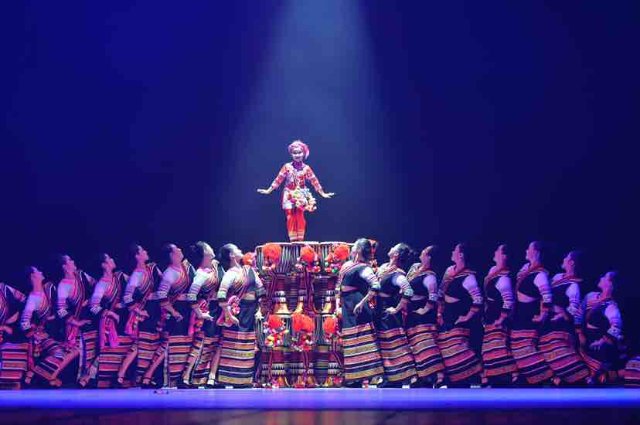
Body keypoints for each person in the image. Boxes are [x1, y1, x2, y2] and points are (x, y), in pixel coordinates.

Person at [257, 140, 335, 241]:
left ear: (304, 153)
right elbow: (278, 179)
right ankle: (293, 240)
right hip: (288, 194)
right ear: (291, 154)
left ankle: (300, 240)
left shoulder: (306, 168)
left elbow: (314, 181)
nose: (297, 155)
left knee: (300, 216)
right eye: (295, 153)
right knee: (290, 216)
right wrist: (268, 190)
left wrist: (323, 193)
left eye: (299, 152)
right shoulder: (287, 167)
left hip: (301, 194)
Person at [335, 238, 385, 387]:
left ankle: (365, 377)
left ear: (357, 250)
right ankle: (354, 377)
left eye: (353, 248)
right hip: (347, 304)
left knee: (361, 339)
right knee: (351, 340)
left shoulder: (364, 268)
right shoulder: (347, 265)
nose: (351, 251)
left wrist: (362, 303)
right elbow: (338, 286)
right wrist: (337, 305)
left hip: (357, 304)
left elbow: (376, 286)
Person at [215, 243, 266, 387]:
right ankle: (227, 379)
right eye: (237, 249)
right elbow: (221, 295)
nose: (241, 250)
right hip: (237, 311)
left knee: (247, 343)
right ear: (232, 255)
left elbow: (260, 291)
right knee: (233, 344)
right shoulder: (230, 274)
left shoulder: (249, 270)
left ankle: (244, 380)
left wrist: (260, 310)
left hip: (250, 311)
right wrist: (229, 315)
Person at [22, 267, 79, 387]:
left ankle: (41, 376)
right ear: (32, 276)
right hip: (40, 339)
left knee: (74, 350)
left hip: (54, 334)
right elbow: (24, 323)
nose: (41, 272)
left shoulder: (49, 288)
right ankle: (38, 375)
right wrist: (36, 333)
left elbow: (60, 308)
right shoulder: (32, 298)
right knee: (60, 354)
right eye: (38, 271)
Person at [539, 251, 589, 385]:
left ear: (571, 262)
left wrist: (561, 313)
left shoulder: (574, 285)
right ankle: (556, 378)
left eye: (566, 257)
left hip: (561, 324)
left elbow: (574, 308)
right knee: (544, 348)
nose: (564, 258)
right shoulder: (557, 277)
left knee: (557, 348)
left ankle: (580, 377)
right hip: (548, 321)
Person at [437, 243, 483, 386]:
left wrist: (467, 316)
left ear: (461, 255)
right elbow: (441, 292)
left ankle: (466, 380)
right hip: (447, 313)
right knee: (445, 348)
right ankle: (450, 380)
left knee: (458, 349)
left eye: (455, 250)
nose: (452, 252)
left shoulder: (468, 277)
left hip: (459, 314)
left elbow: (478, 299)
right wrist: (439, 313)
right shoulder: (449, 270)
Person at [510, 241, 554, 385]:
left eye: (528, 248)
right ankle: (530, 377)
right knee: (517, 346)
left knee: (526, 346)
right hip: (520, 311)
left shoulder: (540, 274)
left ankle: (545, 376)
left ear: (536, 252)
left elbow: (547, 296)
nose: (526, 251)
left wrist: (543, 315)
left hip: (529, 312)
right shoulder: (525, 268)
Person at [374, 243, 418, 387]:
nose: (390, 248)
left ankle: (396, 378)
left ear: (396, 254)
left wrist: (397, 309)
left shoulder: (397, 274)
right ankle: (388, 377)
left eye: (393, 247)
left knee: (392, 345)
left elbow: (408, 291)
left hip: (388, 312)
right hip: (379, 310)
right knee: (383, 344)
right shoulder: (384, 267)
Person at [118, 245, 162, 385]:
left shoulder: (152, 268)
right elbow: (127, 297)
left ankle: (144, 376)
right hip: (147, 312)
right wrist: (139, 311)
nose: (146, 251)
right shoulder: (136, 275)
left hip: (157, 309)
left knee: (151, 344)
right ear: (137, 256)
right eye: (143, 250)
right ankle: (124, 375)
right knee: (142, 345)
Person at [182, 241, 224, 387]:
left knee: (216, 344)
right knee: (201, 344)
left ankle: (211, 378)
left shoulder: (216, 266)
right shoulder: (201, 273)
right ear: (205, 252)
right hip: (208, 310)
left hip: (218, 309)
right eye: (208, 246)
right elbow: (191, 295)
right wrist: (200, 314)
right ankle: (187, 377)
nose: (212, 247)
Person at [87, 254, 129, 388]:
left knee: (120, 349)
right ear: (104, 265)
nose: (113, 260)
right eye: (109, 259)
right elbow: (93, 306)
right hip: (108, 322)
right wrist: (111, 313)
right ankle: (89, 378)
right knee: (107, 350)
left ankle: (111, 379)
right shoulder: (103, 283)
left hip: (120, 319)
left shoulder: (119, 277)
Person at [405, 246, 445, 387]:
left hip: (423, 315)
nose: (421, 252)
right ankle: (421, 376)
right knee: (415, 345)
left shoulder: (430, 276)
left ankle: (433, 376)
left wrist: (425, 310)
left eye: (424, 252)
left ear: (429, 257)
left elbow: (433, 295)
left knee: (426, 345)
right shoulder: (415, 268)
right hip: (412, 311)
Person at [56, 255, 97, 385]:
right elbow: (61, 310)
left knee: (95, 348)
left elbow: (97, 285)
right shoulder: (63, 285)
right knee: (78, 350)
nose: (73, 261)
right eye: (70, 260)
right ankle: (80, 378)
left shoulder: (81, 275)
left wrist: (91, 300)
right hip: (75, 325)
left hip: (91, 318)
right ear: (64, 266)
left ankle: (88, 379)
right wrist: (77, 323)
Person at [481, 244, 518, 386]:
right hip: (490, 314)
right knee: (489, 349)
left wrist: (501, 319)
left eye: (498, 250)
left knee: (499, 347)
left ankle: (511, 376)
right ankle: (494, 377)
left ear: (504, 256)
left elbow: (508, 301)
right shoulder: (493, 271)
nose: (495, 252)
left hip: (498, 316)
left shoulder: (504, 279)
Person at [581, 271, 624, 384]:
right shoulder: (591, 296)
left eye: (605, 276)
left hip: (595, 342)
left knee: (594, 377)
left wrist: (601, 341)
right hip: (583, 336)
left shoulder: (611, 306)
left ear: (610, 284)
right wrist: (579, 332)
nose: (601, 277)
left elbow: (616, 327)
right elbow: (579, 314)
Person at [0, 281, 28, 389]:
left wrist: (17, 314)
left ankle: (10, 381)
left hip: (5, 332)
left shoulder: (4, 288)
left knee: (18, 342)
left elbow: (25, 300)